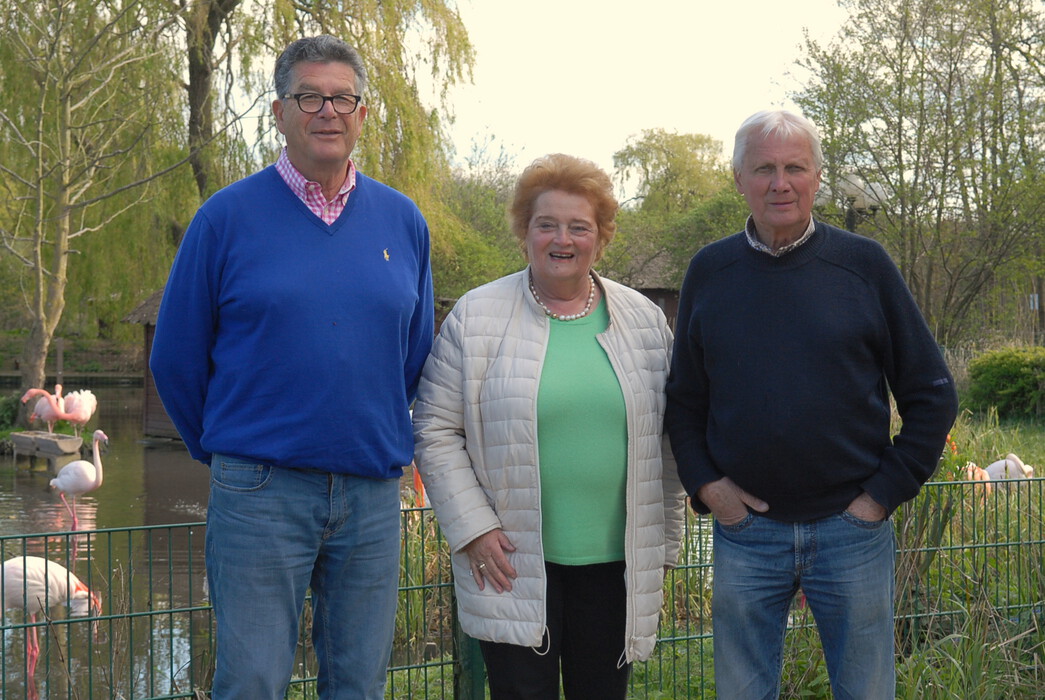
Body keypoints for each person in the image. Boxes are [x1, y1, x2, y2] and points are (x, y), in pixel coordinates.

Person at [149, 35, 433, 699]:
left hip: (368, 493)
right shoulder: (224, 218)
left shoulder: (402, 221)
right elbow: (177, 357)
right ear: (278, 112)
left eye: (342, 98)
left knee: (358, 682)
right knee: (252, 680)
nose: (327, 111)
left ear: (362, 114)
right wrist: (230, 451)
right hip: (260, 491)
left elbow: (413, 353)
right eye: (309, 97)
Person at [665, 109, 959, 699]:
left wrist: (880, 497)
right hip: (745, 535)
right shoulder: (710, 271)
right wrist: (708, 489)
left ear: (817, 178)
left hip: (852, 533)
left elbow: (932, 393)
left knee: (866, 691)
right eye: (764, 169)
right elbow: (683, 400)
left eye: (795, 168)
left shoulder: (864, 266)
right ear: (738, 180)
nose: (781, 183)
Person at [412, 153, 687, 699]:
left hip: (616, 568)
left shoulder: (645, 322)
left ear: (600, 237)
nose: (562, 239)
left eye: (579, 227)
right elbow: (435, 430)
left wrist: (667, 541)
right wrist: (473, 528)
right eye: (547, 224)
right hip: (511, 565)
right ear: (525, 232)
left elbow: (672, 437)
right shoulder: (477, 316)